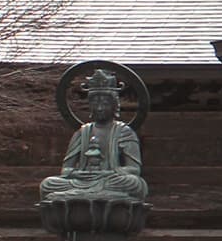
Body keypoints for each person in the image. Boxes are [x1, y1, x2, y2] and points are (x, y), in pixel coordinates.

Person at [39, 69, 148, 201]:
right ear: (90, 106)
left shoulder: (124, 131)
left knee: (134, 183)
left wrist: (108, 173)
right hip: (83, 181)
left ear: (115, 106)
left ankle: (88, 195)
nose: (100, 108)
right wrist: (79, 174)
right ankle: (93, 194)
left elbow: (134, 169)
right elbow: (66, 169)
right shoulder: (82, 132)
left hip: (110, 180)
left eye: (105, 103)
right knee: (48, 184)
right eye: (95, 103)